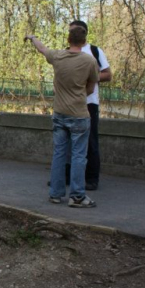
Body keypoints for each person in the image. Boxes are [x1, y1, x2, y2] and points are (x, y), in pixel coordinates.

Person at [25, 27, 99, 208]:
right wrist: (80, 93)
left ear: (68, 40)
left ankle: (56, 194)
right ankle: (77, 196)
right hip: (79, 114)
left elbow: (42, 48)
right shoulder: (89, 61)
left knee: (59, 154)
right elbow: (91, 87)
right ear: (84, 42)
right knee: (78, 156)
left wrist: (32, 37)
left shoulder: (57, 56)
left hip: (59, 113)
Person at [68, 20, 111, 191]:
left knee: (90, 141)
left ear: (84, 33)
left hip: (89, 103)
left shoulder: (94, 51)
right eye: (70, 31)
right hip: (70, 103)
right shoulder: (67, 52)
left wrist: (90, 77)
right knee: (68, 142)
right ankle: (67, 175)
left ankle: (92, 178)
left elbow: (108, 74)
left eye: (75, 31)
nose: (72, 34)